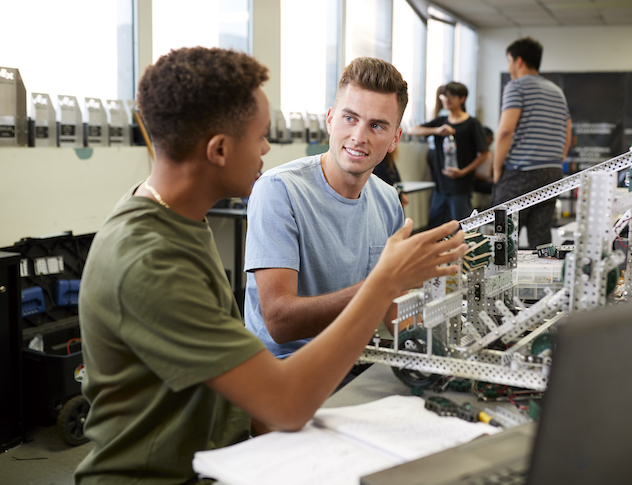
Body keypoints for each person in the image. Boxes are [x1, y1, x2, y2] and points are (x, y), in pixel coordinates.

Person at [75, 47, 468, 485]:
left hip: (222, 452)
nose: (267, 147)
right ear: (220, 149)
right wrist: (384, 281)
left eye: (377, 125)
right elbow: (284, 398)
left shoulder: (180, 222)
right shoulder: (150, 261)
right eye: (261, 135)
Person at [244, 57, 409, 359]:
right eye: (350, 118)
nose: (359, 136)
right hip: (285, 372)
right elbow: (279, 322)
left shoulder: (387, 201)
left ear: (394, 139)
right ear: (330, 119)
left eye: (377, 125)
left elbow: (395, 310)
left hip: (354, 360)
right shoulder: (279, 190)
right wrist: (385, 283)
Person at [492, 37, 571, 249]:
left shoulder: (516, 87)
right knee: (541, 237)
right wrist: (555, 161)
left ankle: (502, 281)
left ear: (518, 61)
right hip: (551, 173)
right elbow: (568, 130)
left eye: (509, 61)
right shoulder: (557, 91)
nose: (509, 67)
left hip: (521, 172)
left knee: (504, 237)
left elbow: (505, 130)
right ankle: (545, 279)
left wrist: (497, 169)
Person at [409, 81, 489, 228]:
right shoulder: (441, 122)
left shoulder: (471, 123)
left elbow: (484, 154)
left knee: (465, 229)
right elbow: (412, 130)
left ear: (462, 98)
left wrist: (464, 172)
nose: (447, 99)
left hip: (460, 188)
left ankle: (467, 251)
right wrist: (436, 131)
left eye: (451, 96)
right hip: (440, 187)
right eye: (444, 96)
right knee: (434, 229)